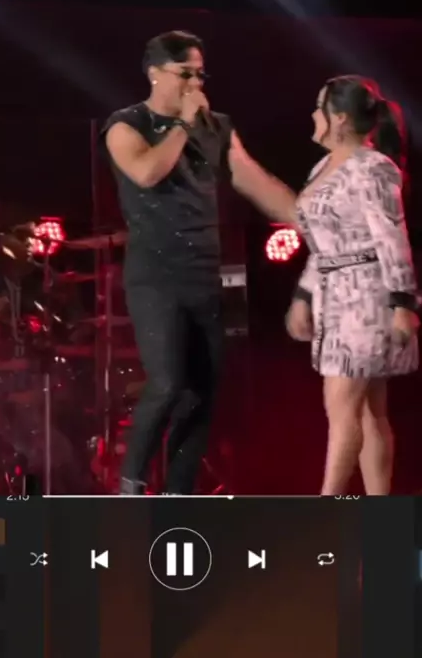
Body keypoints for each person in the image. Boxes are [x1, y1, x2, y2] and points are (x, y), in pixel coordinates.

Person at [104, 30, 294, 494]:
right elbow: (146, 172)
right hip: (155, 275)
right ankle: (130, 482)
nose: (195, 84)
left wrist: (313, 217)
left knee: (203, 392)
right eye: (184, 74)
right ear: (154, 73)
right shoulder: (126, 125)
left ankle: (179, 493)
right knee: (168, 381)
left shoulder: (217, 126)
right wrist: (183, 126)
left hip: (205, 274)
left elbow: (254, 181)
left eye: (200, 75)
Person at [283, 76, 419, 496]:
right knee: (369, 412)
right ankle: (380, 512)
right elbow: (323, 246)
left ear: (338, 118)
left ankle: (326, 507)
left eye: (319, 107)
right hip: (335, 298)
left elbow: (392, 236)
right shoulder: (322, 167)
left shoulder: (373, 168)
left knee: (343, 410)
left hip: (367, 299)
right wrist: (304, 296)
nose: (312, 115)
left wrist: (402, 303)